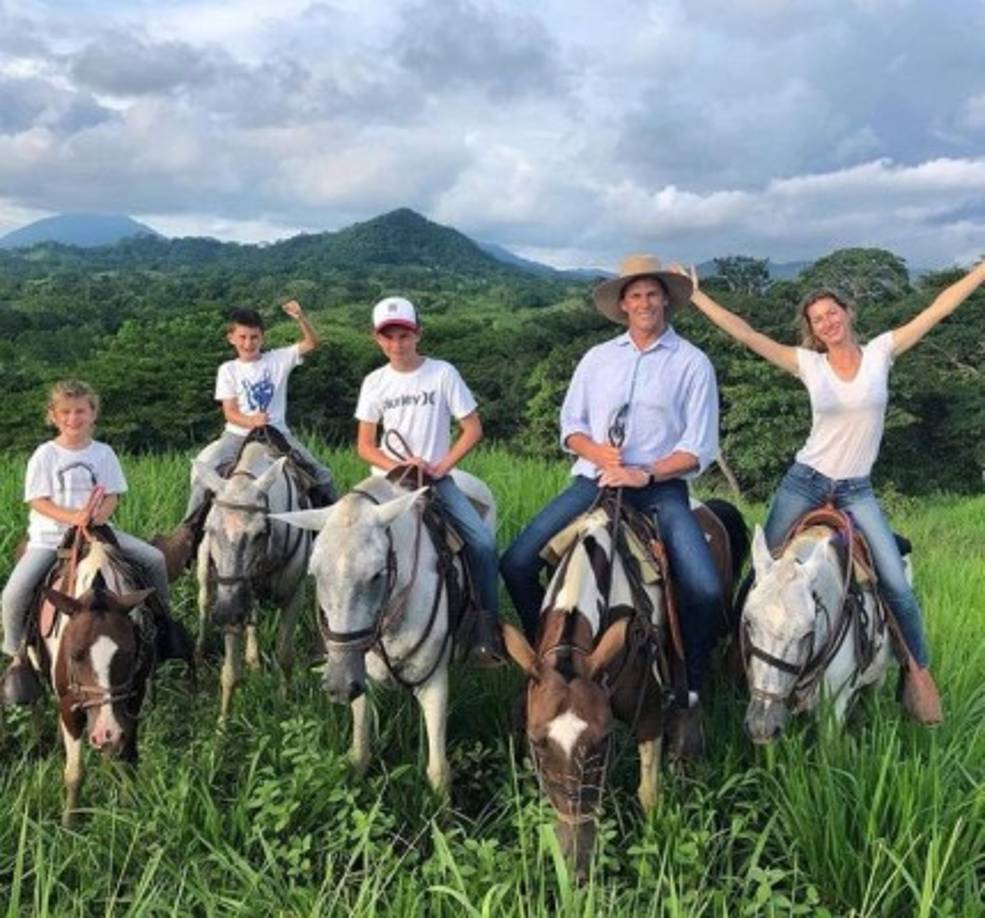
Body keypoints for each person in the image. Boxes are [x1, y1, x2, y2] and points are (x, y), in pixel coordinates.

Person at [685, 259, 985, 725]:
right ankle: (733, 658)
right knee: (758, 578)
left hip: (856, 489)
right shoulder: (810, 364)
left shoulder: (882, 351)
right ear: (813, 329)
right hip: (805, 480)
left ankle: (917, 673)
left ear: (848, 312)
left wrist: (980, 273)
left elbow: (937, 310)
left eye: (832, 312)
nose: (827, 322)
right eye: (817, 319)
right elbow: (746, 334)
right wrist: (697, 295)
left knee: (896, 582)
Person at [500, 254, 723, 759]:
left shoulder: (691, 362)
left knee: (706, 589)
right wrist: (597, 452)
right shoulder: (597, 358)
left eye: (652, 294)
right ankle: (553, 666)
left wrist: (645, 472)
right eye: (635, 295)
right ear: (622, 304)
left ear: (666, 299)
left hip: (658, 489)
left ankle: (689, 688)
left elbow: (699, 448)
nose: (644, 303)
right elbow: (571, 426)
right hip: (594, 482)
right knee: (514, 562)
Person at [2, 380, 185, 704]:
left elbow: (112, 494)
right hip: (50, 538)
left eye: (80, 412)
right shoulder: (45, 454)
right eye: (66, 413)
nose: (74, 419)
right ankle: (16, 656)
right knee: (13, 593)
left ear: (93, 413)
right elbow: (38, 501)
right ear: (54, 416)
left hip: (99, 531)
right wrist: (73, 517)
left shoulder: (103, 453)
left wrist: (99, 514)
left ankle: (164, 627)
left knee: (153, 559)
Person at [355, 295, 505, 666]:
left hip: (436, 480)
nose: (396, 344)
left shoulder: (442, 373)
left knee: (483, 544)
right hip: (388, 484)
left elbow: (472, 429)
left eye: (403, 335)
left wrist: (441, 466)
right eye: (388, 337)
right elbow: (365, 445)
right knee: (342, 544)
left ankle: (486, 629)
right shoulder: (374, 382)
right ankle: (338, 635)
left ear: (417, 334)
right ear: (377, 340)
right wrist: (398, 467)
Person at [167, 301, 335, 557]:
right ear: (231, 338)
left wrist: (301, 317)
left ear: (262, 337)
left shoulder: (278, 359)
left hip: (277, 433)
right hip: (236, 434)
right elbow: (230, 411)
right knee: (204, 474)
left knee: (321, 475)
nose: (248, 343)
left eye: (254, 337)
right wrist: (251, 421)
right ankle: (188, 537)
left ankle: (332, 536)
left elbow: (312, 343)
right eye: (242, 337)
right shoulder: (229, 370)